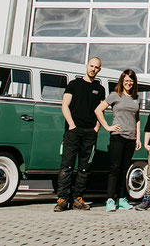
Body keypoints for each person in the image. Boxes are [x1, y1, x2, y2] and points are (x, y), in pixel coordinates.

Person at [55, 56, 106, 212]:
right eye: (91, 66)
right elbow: (65, 105)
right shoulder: (74, 84)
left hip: (90, 133)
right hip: (73, 131)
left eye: (96, 67)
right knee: (66, 166)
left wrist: (97, 127)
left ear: (99, 70)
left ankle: (78, 199)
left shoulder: (100, 89)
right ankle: (62, 199)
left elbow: (101, 110)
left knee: (85, 167)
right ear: (86, 66)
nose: (93, 69)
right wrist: (71, 124)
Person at [97, 68, 142, 211]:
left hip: (131, 137)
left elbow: (137, 119)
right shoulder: (115, 95)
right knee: (115, 169)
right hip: (118, 136)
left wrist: (138, 138)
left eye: (131, 80)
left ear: (134, 82)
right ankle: (110, 199)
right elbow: (98, 110)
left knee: (125, 169)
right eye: (126, 80)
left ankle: (122, 198)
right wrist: (107, 127)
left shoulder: (136, 98)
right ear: (122, 81)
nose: (128, 83)